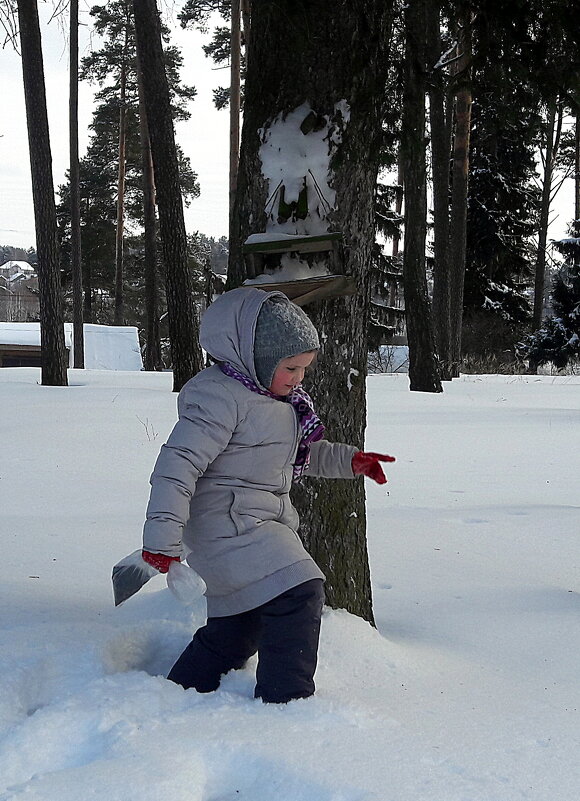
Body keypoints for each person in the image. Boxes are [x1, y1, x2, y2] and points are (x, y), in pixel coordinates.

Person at [142, 287, 394, 703]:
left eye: (304, 370)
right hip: (227, 524)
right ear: (254, 357)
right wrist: (161, 541)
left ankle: (181, 692)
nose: (298, 379)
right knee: (300, 588)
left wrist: (352, 461)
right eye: (291, 368)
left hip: (251, 521)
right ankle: (287, 702)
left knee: (239, 626)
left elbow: (298, 455)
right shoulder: (219, 397)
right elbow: (177, 465)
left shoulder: (275, 401)